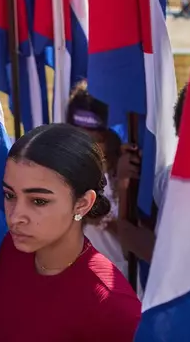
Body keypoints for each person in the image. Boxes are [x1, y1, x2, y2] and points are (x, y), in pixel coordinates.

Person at [0, 124, 141, 341]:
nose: (15, 216)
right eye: (10, 195)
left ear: (82, 203)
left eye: (38, 201)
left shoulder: (112, 307)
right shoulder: (15, 247)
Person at [116, 84, 188, 263]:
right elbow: (128, 250)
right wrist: (125, 184)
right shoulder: (167, 180)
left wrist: (126, 229)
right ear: (179, 131)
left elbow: (162, 258)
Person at [66, 83, 128, 277]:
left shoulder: (126, 171)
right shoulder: (66, 169)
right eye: (79, 137)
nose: (87, 147)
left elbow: (138, 246)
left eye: (96, 139)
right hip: (82, 279)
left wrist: (105, 220)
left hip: (124, 279)